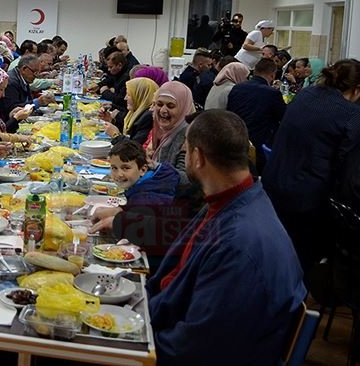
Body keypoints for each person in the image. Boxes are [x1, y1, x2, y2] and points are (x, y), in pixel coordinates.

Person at [146, 110, 306, 366]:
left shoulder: (239, 247)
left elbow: (194, 349)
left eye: (186, 149)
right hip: (171, 324)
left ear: (197, 157)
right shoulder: (241, 200)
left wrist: (133, 343)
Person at [264, 58, 360, 274]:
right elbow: (346, 170)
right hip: (308, 201)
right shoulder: (352, 115)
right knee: (301, 262)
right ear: (357, 90)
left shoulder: (306, 95)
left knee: (279, 258)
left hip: (274, 186)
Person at [89, 140, 182, 269]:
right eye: (114, 168)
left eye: (125, 168)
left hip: (159, 263)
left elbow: (144, 218)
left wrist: (120, 219)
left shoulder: (148, 196)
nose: (118, 174)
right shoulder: (152, 182)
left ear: (143, 169)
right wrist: (121, 210)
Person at [226, 57, 285, 172]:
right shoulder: (272, 93)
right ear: (272, 75)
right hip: (261, 143)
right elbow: (283, 116)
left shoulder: (237, 88)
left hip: (237, 138)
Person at [149, 81, 195, 178]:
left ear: (184, 108)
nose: (163, 111)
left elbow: (185, 179)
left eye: (170, 106)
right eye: (160, 104)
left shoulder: (188, 135)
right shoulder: (161, 130)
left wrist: (153, 166)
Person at [0, 54, 55, 122]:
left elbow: (27, 100)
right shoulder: (11, 82)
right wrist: (37, 102)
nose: (36, 76)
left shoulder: (23, 77)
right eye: (35, 72)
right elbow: (12, 109)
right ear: (24, 69)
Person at [103, 78, 158, 145]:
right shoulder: (136, 112)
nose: (125, 98)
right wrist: (111, 120)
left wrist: (115, 135)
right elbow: (129, 134)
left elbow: (134, 147)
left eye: (129, 95)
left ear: (139, 96)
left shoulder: (148, 117)